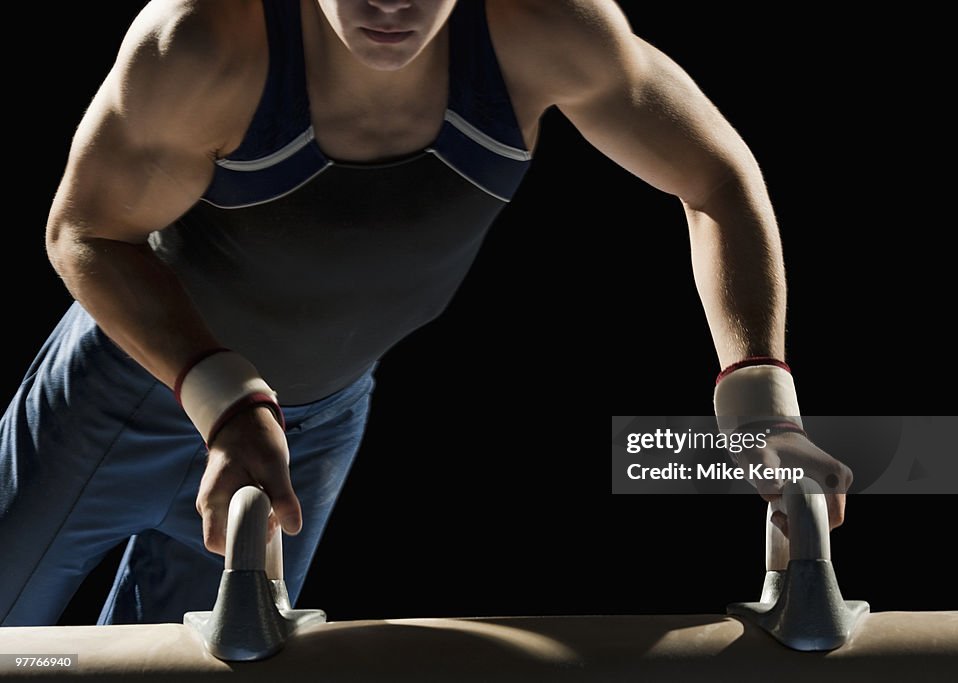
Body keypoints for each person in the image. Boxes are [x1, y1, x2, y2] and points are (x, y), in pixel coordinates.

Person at [0, 0, 852, 626]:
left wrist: (758, 401)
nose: (391, 6)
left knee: (196, 665)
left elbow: (716, 179)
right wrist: (223, 396)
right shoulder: (205, 43)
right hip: (123, 399)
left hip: (315, 423)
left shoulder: (545, 28)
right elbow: (82, 231)